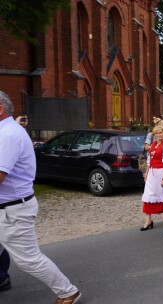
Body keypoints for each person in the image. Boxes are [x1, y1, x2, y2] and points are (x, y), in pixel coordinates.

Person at [0, 91, 81, 303]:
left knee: (28, 259)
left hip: (11, 210)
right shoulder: (7, 131)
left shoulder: (7, 135)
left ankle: (68, 291)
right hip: (9, 207)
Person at [140, 125, 163, 231]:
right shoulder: (153, 144)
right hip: (152, 174)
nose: (158, 135)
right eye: (156, 133)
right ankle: (148, 220)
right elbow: (149, 161)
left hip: (161, 172)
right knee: (148, 195)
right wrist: (147, 174)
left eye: (160, 133)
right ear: (154, 135)